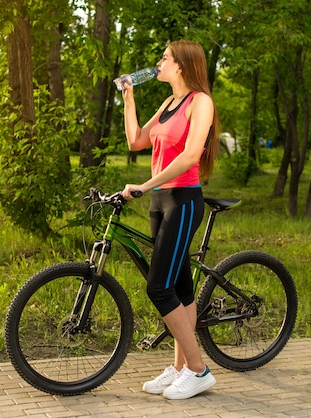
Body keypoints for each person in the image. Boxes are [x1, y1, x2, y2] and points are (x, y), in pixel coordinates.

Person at [120, 40, 219, 400]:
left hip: (183, 200)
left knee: (158, 288)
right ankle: (179, 369)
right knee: (179, 288)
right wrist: (129, 99)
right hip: (160, 202)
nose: (158, 62)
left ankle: (198, 369)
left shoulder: (200, 102)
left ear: (181, 65)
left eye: (164, 57)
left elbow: (191, 155)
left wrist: (145, 185)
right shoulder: (166, 104)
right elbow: (135, 141)